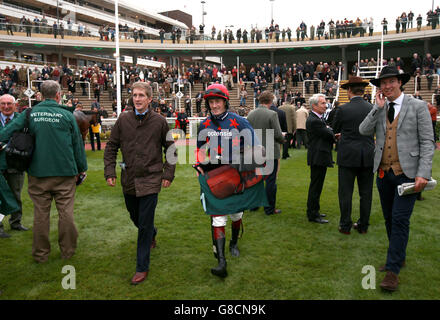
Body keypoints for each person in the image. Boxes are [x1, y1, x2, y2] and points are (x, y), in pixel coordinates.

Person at [359, 66, 435, 291]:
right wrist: (376, 108)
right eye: (383, 83)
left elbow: (427, 142)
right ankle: (398, 256)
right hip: (383, 173)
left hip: (408, 174)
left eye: (391, 81)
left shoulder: (418, 106)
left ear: (400, 83)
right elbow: (364, 130)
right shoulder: (380, 107)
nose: (386, 86)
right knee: (390, 219)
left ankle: (392, 270)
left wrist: (423, 172)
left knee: (400, 219)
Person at [0, 80, 87, 262]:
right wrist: (82, 169)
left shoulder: (29, 114)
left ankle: (40, 255)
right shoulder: (67, 115)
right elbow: (77, 145)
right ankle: (68, 252)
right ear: (58, 95)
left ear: (40, 95)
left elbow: (4, 134)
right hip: (65, 172)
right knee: (66, 214)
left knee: (41, 215)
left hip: (38, 173)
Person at [104, 81, 176, 285]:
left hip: (152, 179)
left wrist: (167, 174)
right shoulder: (123, 120)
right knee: (136, 218)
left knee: (143, 225)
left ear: (149, 99)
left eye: (141, 95)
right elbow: (111, 147)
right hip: (129, 179)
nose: (137, 99)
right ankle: (152, 232)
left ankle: (141, 267)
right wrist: (109, 171)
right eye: (134, 95)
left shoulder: (160, 122)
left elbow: (171, 149)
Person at [194, 83, 267, 278]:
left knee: (236, 215)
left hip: (237, 174)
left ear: (225, 102)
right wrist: (199, 165)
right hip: (215, 174)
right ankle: (221, 261)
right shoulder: (205, 125)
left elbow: (258, 148)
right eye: (211, 102)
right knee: (218, 216)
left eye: (217, 101)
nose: (214, 105)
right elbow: (200, 149)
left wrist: (243, 160)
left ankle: (234, 242)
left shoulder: (239, 122)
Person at [332, 77, 375, 234]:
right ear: (363, 91)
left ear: (349, 91)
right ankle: (363, 225)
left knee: (345, 193)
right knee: (366, 194)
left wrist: (339, 136)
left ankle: (345, 225)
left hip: (348, 155)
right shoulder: (372, 108)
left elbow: (335, 129)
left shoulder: (343, 110)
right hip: (368, 155)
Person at [247, 90, 285, 216]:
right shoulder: (272, 114)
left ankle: (254, 205)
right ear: (270, 101)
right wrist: (283, 139)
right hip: (269, 151)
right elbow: (278, 134)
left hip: (255, 150)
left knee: (255, 180)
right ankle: (269, 209)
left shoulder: (251, 114)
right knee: (270, 181)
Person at [0, 94, 27, 238]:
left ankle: (16, 222)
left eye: (9, 104)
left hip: (16, 163)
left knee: (16, 194)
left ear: (15, 105)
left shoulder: (22, 120)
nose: (6, 106)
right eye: (3, 103)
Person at [306, 94, 335, 224]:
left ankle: (314, 210)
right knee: (316, 187)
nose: (326, 105)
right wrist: (329, 131)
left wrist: (329, 130)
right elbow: (328, 134)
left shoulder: (317, 118)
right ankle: (312, 214)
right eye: (322, 103)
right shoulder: (314, 120)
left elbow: (328, 132)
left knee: (317, 186)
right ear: (314, 106)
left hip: (319, 156)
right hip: (318, 156)